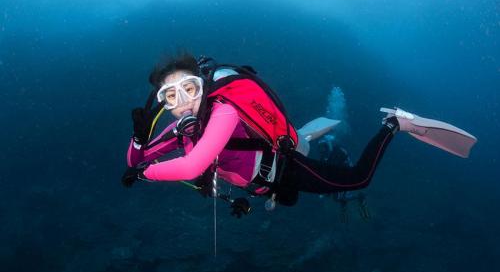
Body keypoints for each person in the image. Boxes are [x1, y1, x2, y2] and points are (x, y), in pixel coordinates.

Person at [122, 53, 477, 217]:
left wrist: (146, 172)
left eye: (190, 88)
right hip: (264, 184)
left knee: (357, 179)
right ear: (162, 103)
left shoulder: (225, 110)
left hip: (284, 166)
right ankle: (306, 138)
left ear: (205, 86)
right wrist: (139, 141)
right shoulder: (181, 127)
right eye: (171, 95)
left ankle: (396, 123)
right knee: (287, 201)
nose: (184, 101)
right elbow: (134, 160)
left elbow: (189, 166)